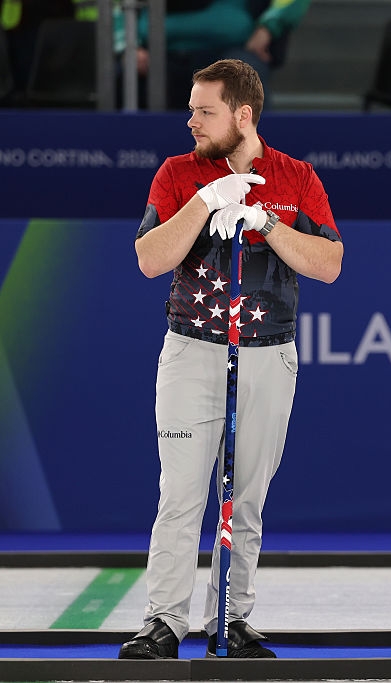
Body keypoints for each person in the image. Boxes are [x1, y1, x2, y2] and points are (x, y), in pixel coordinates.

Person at [118, 58, 343, 660]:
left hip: (269, 351)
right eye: (191, 108)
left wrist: (266, 222)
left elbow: (328, 264)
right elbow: (149, 258)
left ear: (242, 115)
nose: (190, 120)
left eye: (204, 110)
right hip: (193, 349)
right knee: (182, 491)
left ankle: (231, 617)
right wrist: (206, 201)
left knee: (246, 497)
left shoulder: (295, 177)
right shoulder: (176, 173)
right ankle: (163, 621)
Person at [119, 0, 311, 110]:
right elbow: (116, 8)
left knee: (244, 79)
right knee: (120, 78)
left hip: (231, 50)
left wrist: (269, 26)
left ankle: (256, 170)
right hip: (155, 53)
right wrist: (127, 45)